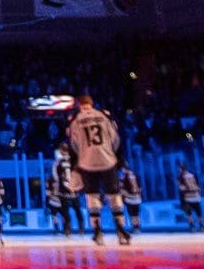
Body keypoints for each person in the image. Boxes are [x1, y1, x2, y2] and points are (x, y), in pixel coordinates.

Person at [66, 95, 130, 246]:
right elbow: (115, 139)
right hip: (107, 161)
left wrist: (82, 157)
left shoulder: (75, 121)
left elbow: (73, 145)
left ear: (79, 105)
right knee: (114, 195)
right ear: (91, 103)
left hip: (87, 163)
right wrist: (112, 155)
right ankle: (121, 230)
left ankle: (97, 232)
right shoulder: (104, 115)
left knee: (92, 196)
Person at [51, 146, 86, 237]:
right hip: (73, 189)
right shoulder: (74, 161)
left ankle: (68, 230)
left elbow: (56, 176)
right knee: (77, 210)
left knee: (66, 212)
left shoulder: (59, 162)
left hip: (64, 190)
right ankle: (81, 230)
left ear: (62, 152)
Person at [177, 163, 204, 231]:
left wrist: (182, 199)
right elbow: (197, 185)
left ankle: (192, 227)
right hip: (196, 196)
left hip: (188, 197)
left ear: (180, 169)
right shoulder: (192, 175)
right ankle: (202, 226)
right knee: (198, 212)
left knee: (188, 213)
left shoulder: (181, 176)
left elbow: (182, 188)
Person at [118, 165, 144, 235]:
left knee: (132, 214)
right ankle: (138, 228)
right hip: (137, 198)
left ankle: (135, 228)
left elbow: (121, 189)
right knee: (136, 214)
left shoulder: (124, 177)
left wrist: (126, 194)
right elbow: (140, 187)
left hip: (129, 198)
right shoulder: (135, 175)